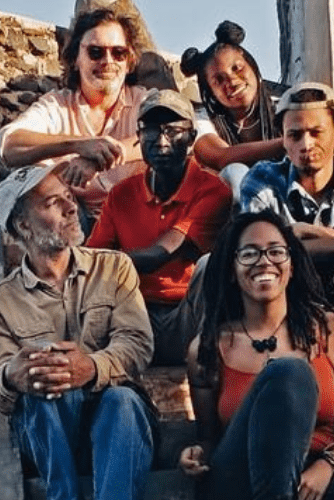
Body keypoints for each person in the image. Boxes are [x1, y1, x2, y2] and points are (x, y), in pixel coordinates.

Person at [176, 211, 334, 500]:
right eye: (249, 254)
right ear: (232, 269)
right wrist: (195, 454)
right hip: (241, 481)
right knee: (290, 373)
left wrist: (327, 465)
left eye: (276, 252)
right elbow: (210, 439)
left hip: (313, 478)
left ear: (292, 266)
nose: (264, 261)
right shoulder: (207, 347)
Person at [0, 164, 156, 500]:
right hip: (52, 437)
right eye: (51, 203)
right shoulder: (0, 302)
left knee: (121, 400)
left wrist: (88, 368)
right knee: (40, 382)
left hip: (120, 427)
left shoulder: (114, 267)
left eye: (67, 196)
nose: (71, 206)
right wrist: (11, 375)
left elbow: (137, 345)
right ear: (23, 226)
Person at [0, 8, 212, 221]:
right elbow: (3, 146)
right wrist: (79, 145)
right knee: (25, 183)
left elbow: (185, 134)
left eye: (118, 53)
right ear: (76, 58)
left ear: (129, 62)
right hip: (78, 222)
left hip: (139, 217)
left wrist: (100, 157)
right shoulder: (57, 106)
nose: (108, 61)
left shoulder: (145, 101)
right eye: (96, 52)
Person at [239, 82, 334, 353]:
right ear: (283, 138)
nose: (306, 144)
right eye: (295, 135)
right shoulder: (262, 179)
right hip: (292, 301)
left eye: (316, 132)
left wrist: (311, 234)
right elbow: (260, 252)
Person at [86, 89, 231, 365]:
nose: (162, 141)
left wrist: (82, 260)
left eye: (173, 130)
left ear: (191, 140)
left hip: (187, 315)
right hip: (136, 312)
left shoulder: (212, 191)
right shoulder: (121, 193)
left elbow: (159, 255)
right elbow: (94, 257)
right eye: (151, 131)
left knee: (207, 266)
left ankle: (207, 365)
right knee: (90, 282)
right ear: (139, 139)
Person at [180, 21, 334, 201]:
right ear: (209, 90)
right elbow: (222, 157)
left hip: (292, 202)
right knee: (236, 172)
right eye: (219, 80)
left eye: (237, 68)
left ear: (253, 67)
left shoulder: (286, 107)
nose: (232, 82)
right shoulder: (202, 120)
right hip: (238, 216)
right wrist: (291, 142)